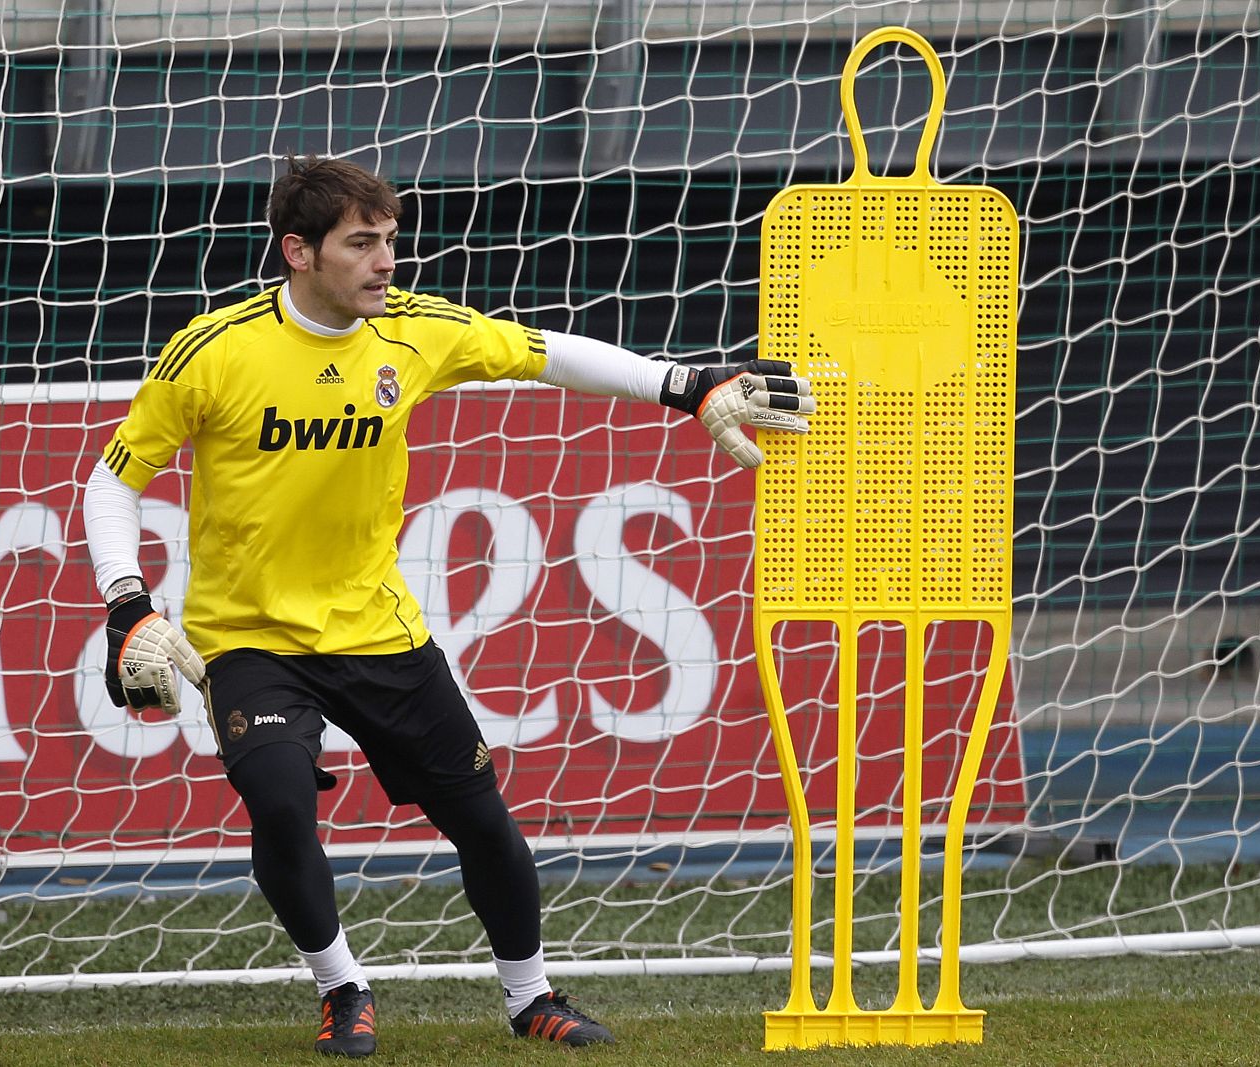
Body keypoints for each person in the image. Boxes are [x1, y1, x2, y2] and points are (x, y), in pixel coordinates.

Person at [83, 155, 814, 1058]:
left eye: (390, 239)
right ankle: (343, 987)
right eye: (361, 243)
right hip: (249, 636)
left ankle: (530, 995)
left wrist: (683, 383)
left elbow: (547, 353)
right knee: (278, 801)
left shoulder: (414, 330)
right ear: (298, 252)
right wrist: (128, 607)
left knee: (481, 822)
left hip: (379, 629)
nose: (386, 260)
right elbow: (112, 482)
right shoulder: (216, 350)